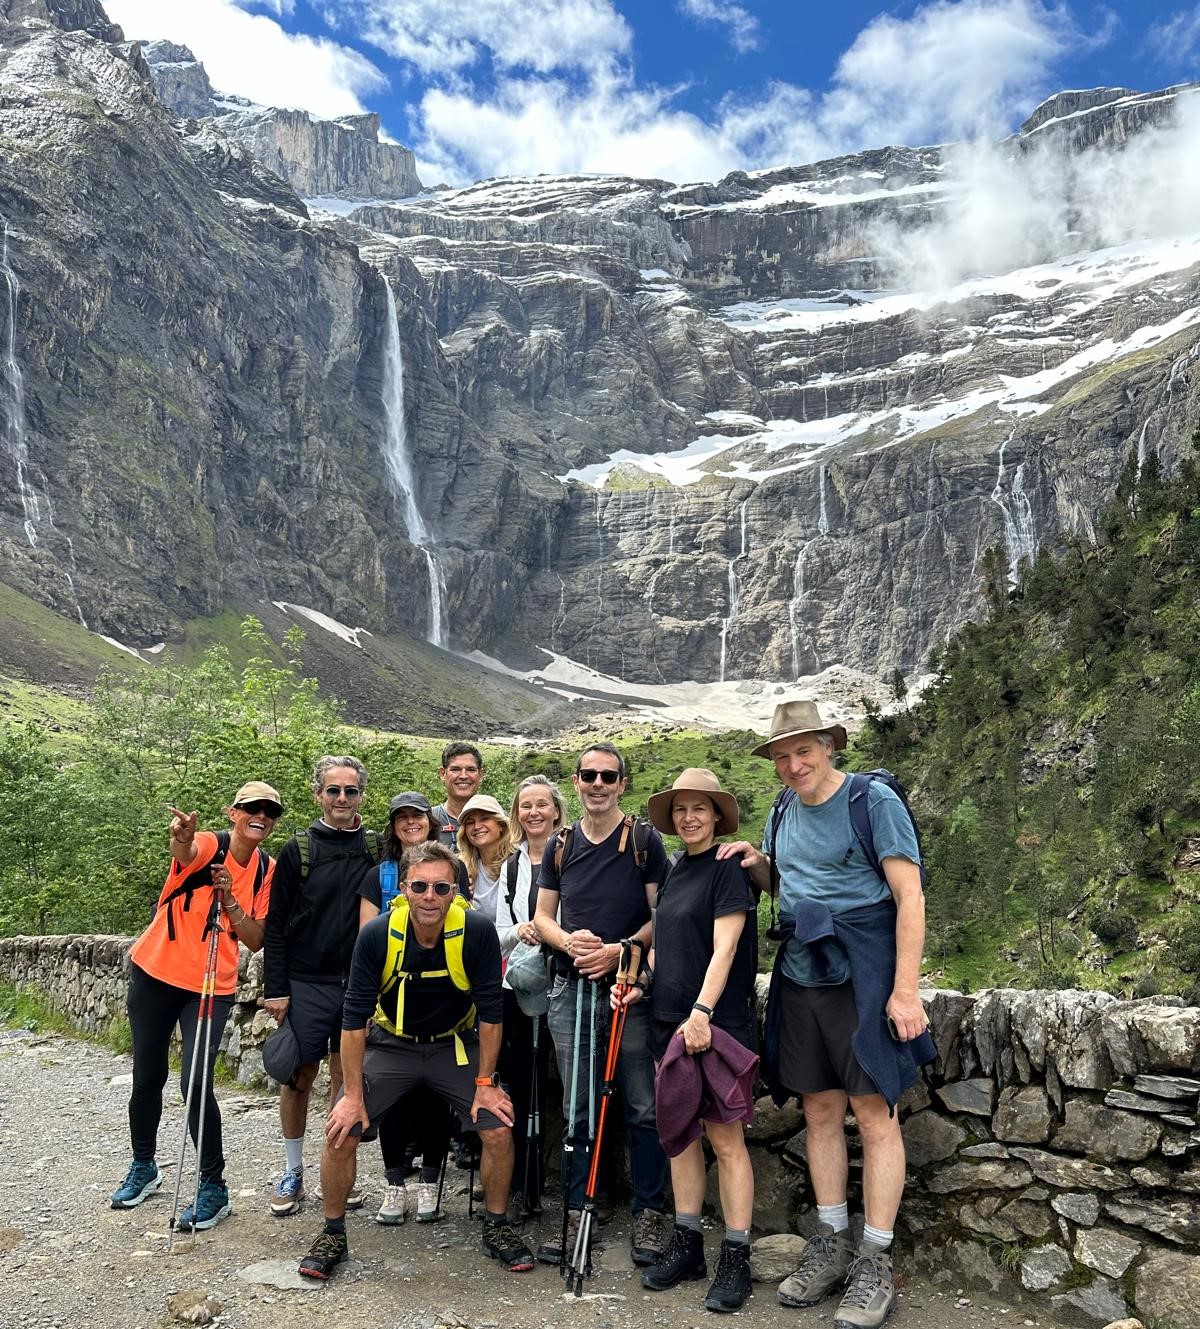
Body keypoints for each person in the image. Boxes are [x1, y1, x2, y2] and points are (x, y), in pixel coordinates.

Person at [718, 700, 935, 1329]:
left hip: (865, 966)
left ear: (828, 747)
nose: (793, 764)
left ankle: (875, 1258)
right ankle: (831, 1242)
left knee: (874, 1111)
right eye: (782, 756)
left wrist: (905, 990)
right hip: (802, 968)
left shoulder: (874, 803)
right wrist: (755, 864)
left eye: (803, 751)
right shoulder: (782, 809)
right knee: (818, 1107)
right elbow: (785, 882)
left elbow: (909, 895)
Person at [297, 842, 535, 1280]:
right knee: (341, 1127)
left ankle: (497, 1226)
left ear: (455, 891)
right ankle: (332, 1232)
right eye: (420, 886)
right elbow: (353, 1022)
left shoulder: (476, 931)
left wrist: (486, 1082)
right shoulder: (378, 934)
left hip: (454, 1046)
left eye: (441, 887)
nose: (430, 896)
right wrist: (351, 1095)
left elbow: (491, 1014)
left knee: (499, 1127)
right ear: (403, 889)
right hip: (393, 1043)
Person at [110, 782, 280, 1230]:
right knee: (148, 1075)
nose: (260, 814)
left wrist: (229, 899)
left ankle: (213, 1187)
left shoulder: (267, 870)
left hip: (211, 984)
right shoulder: (212, 845)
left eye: (270, 810)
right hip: (155, 970)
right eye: (251, 807)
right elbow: (185, 852)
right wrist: (182, 835)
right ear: (233, 812)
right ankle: (143, 1166)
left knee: (195, 1082)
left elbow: (257, 939)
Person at [623, 768, 758, 1313]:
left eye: (700, 807)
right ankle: (688, 1243)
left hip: (714, 1024)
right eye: (680, 809)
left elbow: (725, 948)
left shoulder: (728, 871)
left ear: (717, 815)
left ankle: (736, 1256)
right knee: (679, 1134)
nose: (689, 817)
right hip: (669, 1024)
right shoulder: (677, 869)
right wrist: (642, 984)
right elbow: (672, 946)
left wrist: (703, 1012)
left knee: (725, 1142)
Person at [533, 741, 670, 1267]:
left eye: (607, 776)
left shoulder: (644, 841)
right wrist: (571, 944)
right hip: (571, 987)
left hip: (626, 989)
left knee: (641, 1104)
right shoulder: (561, 845)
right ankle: (581, 1206)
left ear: (622, 784)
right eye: (588, 775)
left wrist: (618, 950)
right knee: (577, 1108)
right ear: (575, 781)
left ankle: (650, 1212)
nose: (597, 784)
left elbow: (664, 913)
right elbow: (545, 915)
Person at [263, 756, 380, 1218]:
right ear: (318, 796)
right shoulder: (298, 849)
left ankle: (339, 1166)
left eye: (350, 791)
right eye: (333, 791)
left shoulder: (375, 847)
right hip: (307, 980)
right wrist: (277, 987)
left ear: (361, 797)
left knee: (345, 1077)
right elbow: (275, 924)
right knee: (298, 1076)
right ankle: (293, 1169)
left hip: (359, 981)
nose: (342, 799)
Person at [358, 791, 466, 1225]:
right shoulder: (376, 875)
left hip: (441, 1000)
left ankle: (428, 1181)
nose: (409, 823)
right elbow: (367, 936)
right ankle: (394, 1183)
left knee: (433, 1100)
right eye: (401, 817)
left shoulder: (450, 870)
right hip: (391, 999)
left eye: (416, 816)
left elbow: (463, 925)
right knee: (398, 1101)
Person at [501, 775, 568, 1216]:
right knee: (521, 1084)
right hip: (519, 983)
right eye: (526, 806)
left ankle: (576, 1186)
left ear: (557, 811)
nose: (533, 813)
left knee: (567, 1084)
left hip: (564, 979)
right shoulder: (510, 865)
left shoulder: (573, 854)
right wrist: (517, 931)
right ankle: (522, 1181)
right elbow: (492, 926)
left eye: (542, 805)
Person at [457, 793, 514, 923]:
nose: (477, 826)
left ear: (501, 825)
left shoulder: (518, 863)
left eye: (484, 819)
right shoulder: (461, 868)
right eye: (470, 822)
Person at [431, 741, 484, 847]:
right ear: (442, 774)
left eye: (470, 769)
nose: (463, 776)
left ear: (481, 775)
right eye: (455, 769)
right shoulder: (427, 821)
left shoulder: (499, 820)